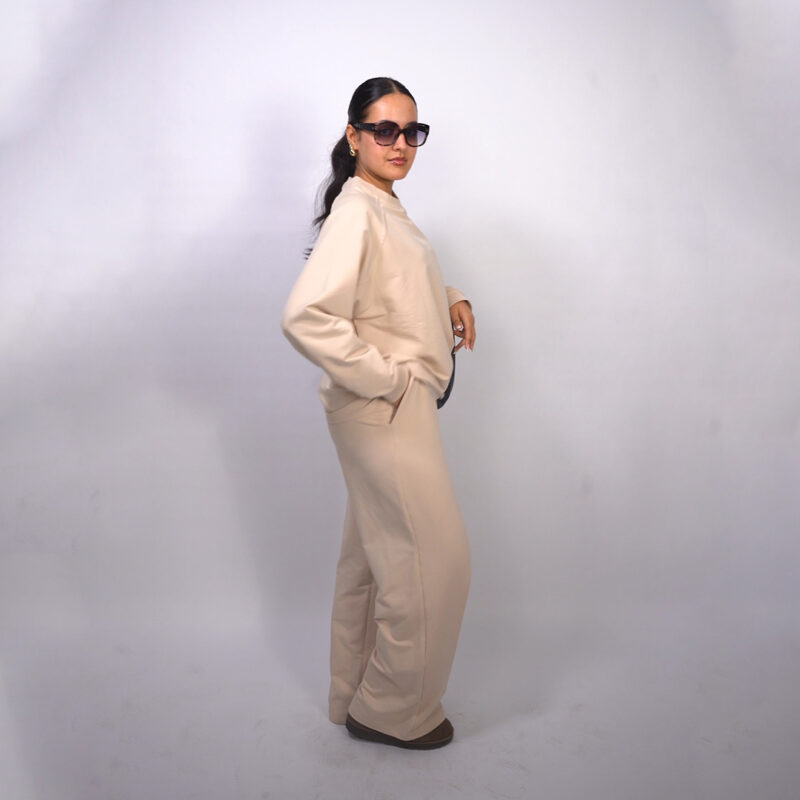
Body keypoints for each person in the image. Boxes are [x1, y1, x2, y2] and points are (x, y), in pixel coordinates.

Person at [280, 77, 476, 750]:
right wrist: (389, 381)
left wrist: (448, 296)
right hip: (386, 411)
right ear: (354, 135)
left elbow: (389, 283)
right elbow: (305, 316)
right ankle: (393, 710)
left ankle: (352, 694)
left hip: (386, 410)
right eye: (384, 130)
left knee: (372, 559)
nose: (400, 143)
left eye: (411, 131)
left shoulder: (379, 204)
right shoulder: (358, 211)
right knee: (435, 564)